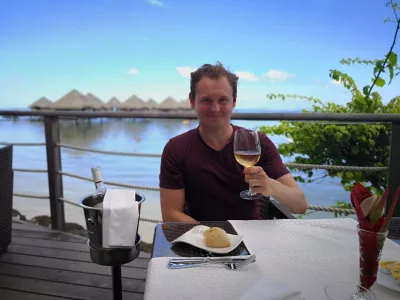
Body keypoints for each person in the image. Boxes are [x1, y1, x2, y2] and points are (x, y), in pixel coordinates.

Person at [159, 62, 308, 222]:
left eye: (223, 100)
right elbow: (170, 215)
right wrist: (216, 238)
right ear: (192, 100)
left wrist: (270, 186)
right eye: (206, 100)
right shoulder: (177, 149)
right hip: (199, 239)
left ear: (234, 101)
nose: (215, 108)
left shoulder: (258, 143)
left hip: (253, 240)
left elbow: (300, 205)